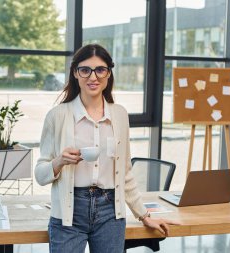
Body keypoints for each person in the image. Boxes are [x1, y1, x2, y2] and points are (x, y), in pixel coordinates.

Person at [35, 44, 179, 253]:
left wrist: (144, 215)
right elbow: (40, 175)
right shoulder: (57, 116)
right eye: (85, 70)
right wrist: (59, 161)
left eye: (100, 69)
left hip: (110, 212)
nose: (93, 77)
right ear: (76, 73)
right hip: (69, 211)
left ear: (109, 73)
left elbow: (125, 174)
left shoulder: (119, 115)